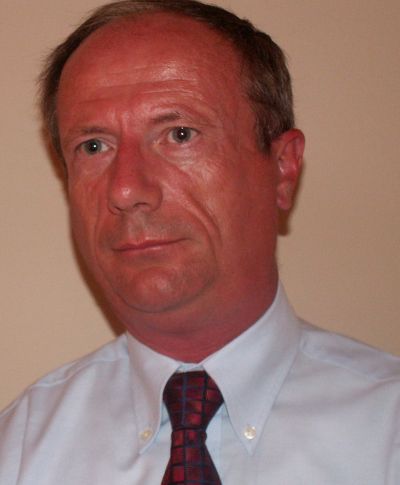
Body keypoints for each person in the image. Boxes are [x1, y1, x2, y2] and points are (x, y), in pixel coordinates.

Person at [0, 0, 398, 483]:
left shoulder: (387, 430)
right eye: (94, 146)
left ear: (282, 168)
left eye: (180, 134)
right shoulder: (20, 449)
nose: (125, 189)